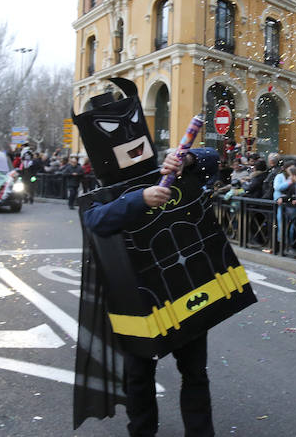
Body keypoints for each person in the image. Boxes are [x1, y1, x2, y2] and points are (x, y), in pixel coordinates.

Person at [72, 77, 256, 435]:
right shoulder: (104, 191)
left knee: (195, 373)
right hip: (136, 302)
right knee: (138, 377)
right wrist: (137, 200)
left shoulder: (166, 169)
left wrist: (185, 157)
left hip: (185, 291)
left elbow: (211, 160)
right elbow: (95, 220)